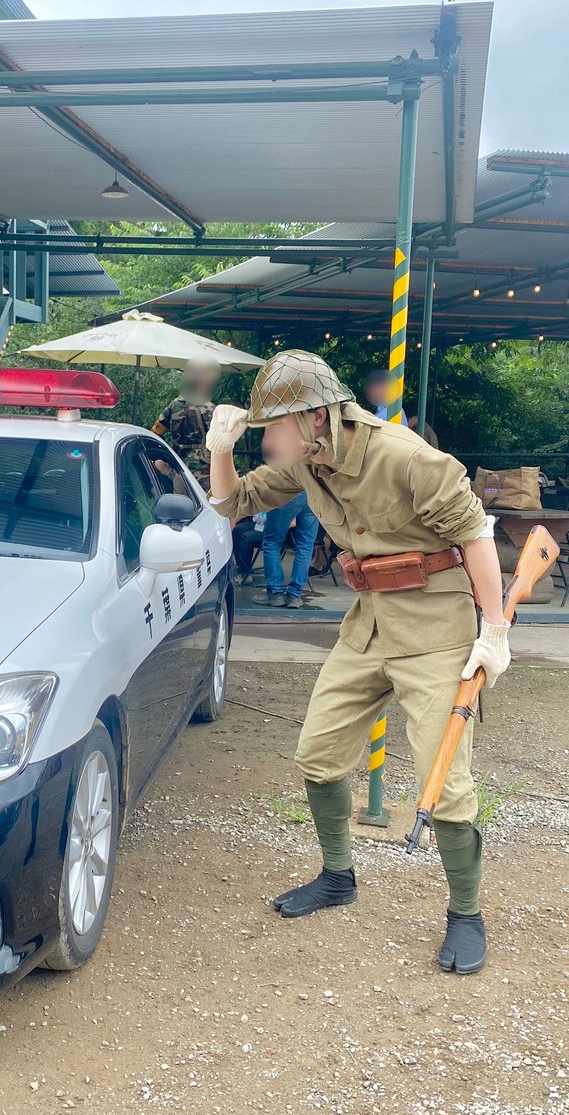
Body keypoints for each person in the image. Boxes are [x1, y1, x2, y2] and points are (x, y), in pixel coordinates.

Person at [205, 349, 509, 976]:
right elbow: (230, 505)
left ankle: (466, 913)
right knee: (317, 753)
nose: (268, 440)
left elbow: (477, 536)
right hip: (367, 624)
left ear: (317, 416)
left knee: (444, 784)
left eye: (274, 427)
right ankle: (338, 875)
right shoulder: (306, 463)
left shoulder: (406, 458)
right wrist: (221, 449)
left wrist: (495, 630)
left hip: (436, 629)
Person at [151, 354, 222, 488]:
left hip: (178, 466)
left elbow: (156, 432)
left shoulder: (174, 406)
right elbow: (220, 441)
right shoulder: (211, 409)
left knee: (181, 503)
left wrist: (165, 454)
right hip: (205, 469)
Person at [252, 494, 321, 608]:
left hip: (287, 492)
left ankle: (276, 593)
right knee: (305, 546)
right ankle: (295, 595)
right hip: (312, 494)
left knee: (272, 542)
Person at [232, 513, 265, 585]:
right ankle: (241, 567)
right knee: (237, 530)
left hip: (273, 527)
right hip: (260, 522)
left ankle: (245, 572)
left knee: (245, 537)